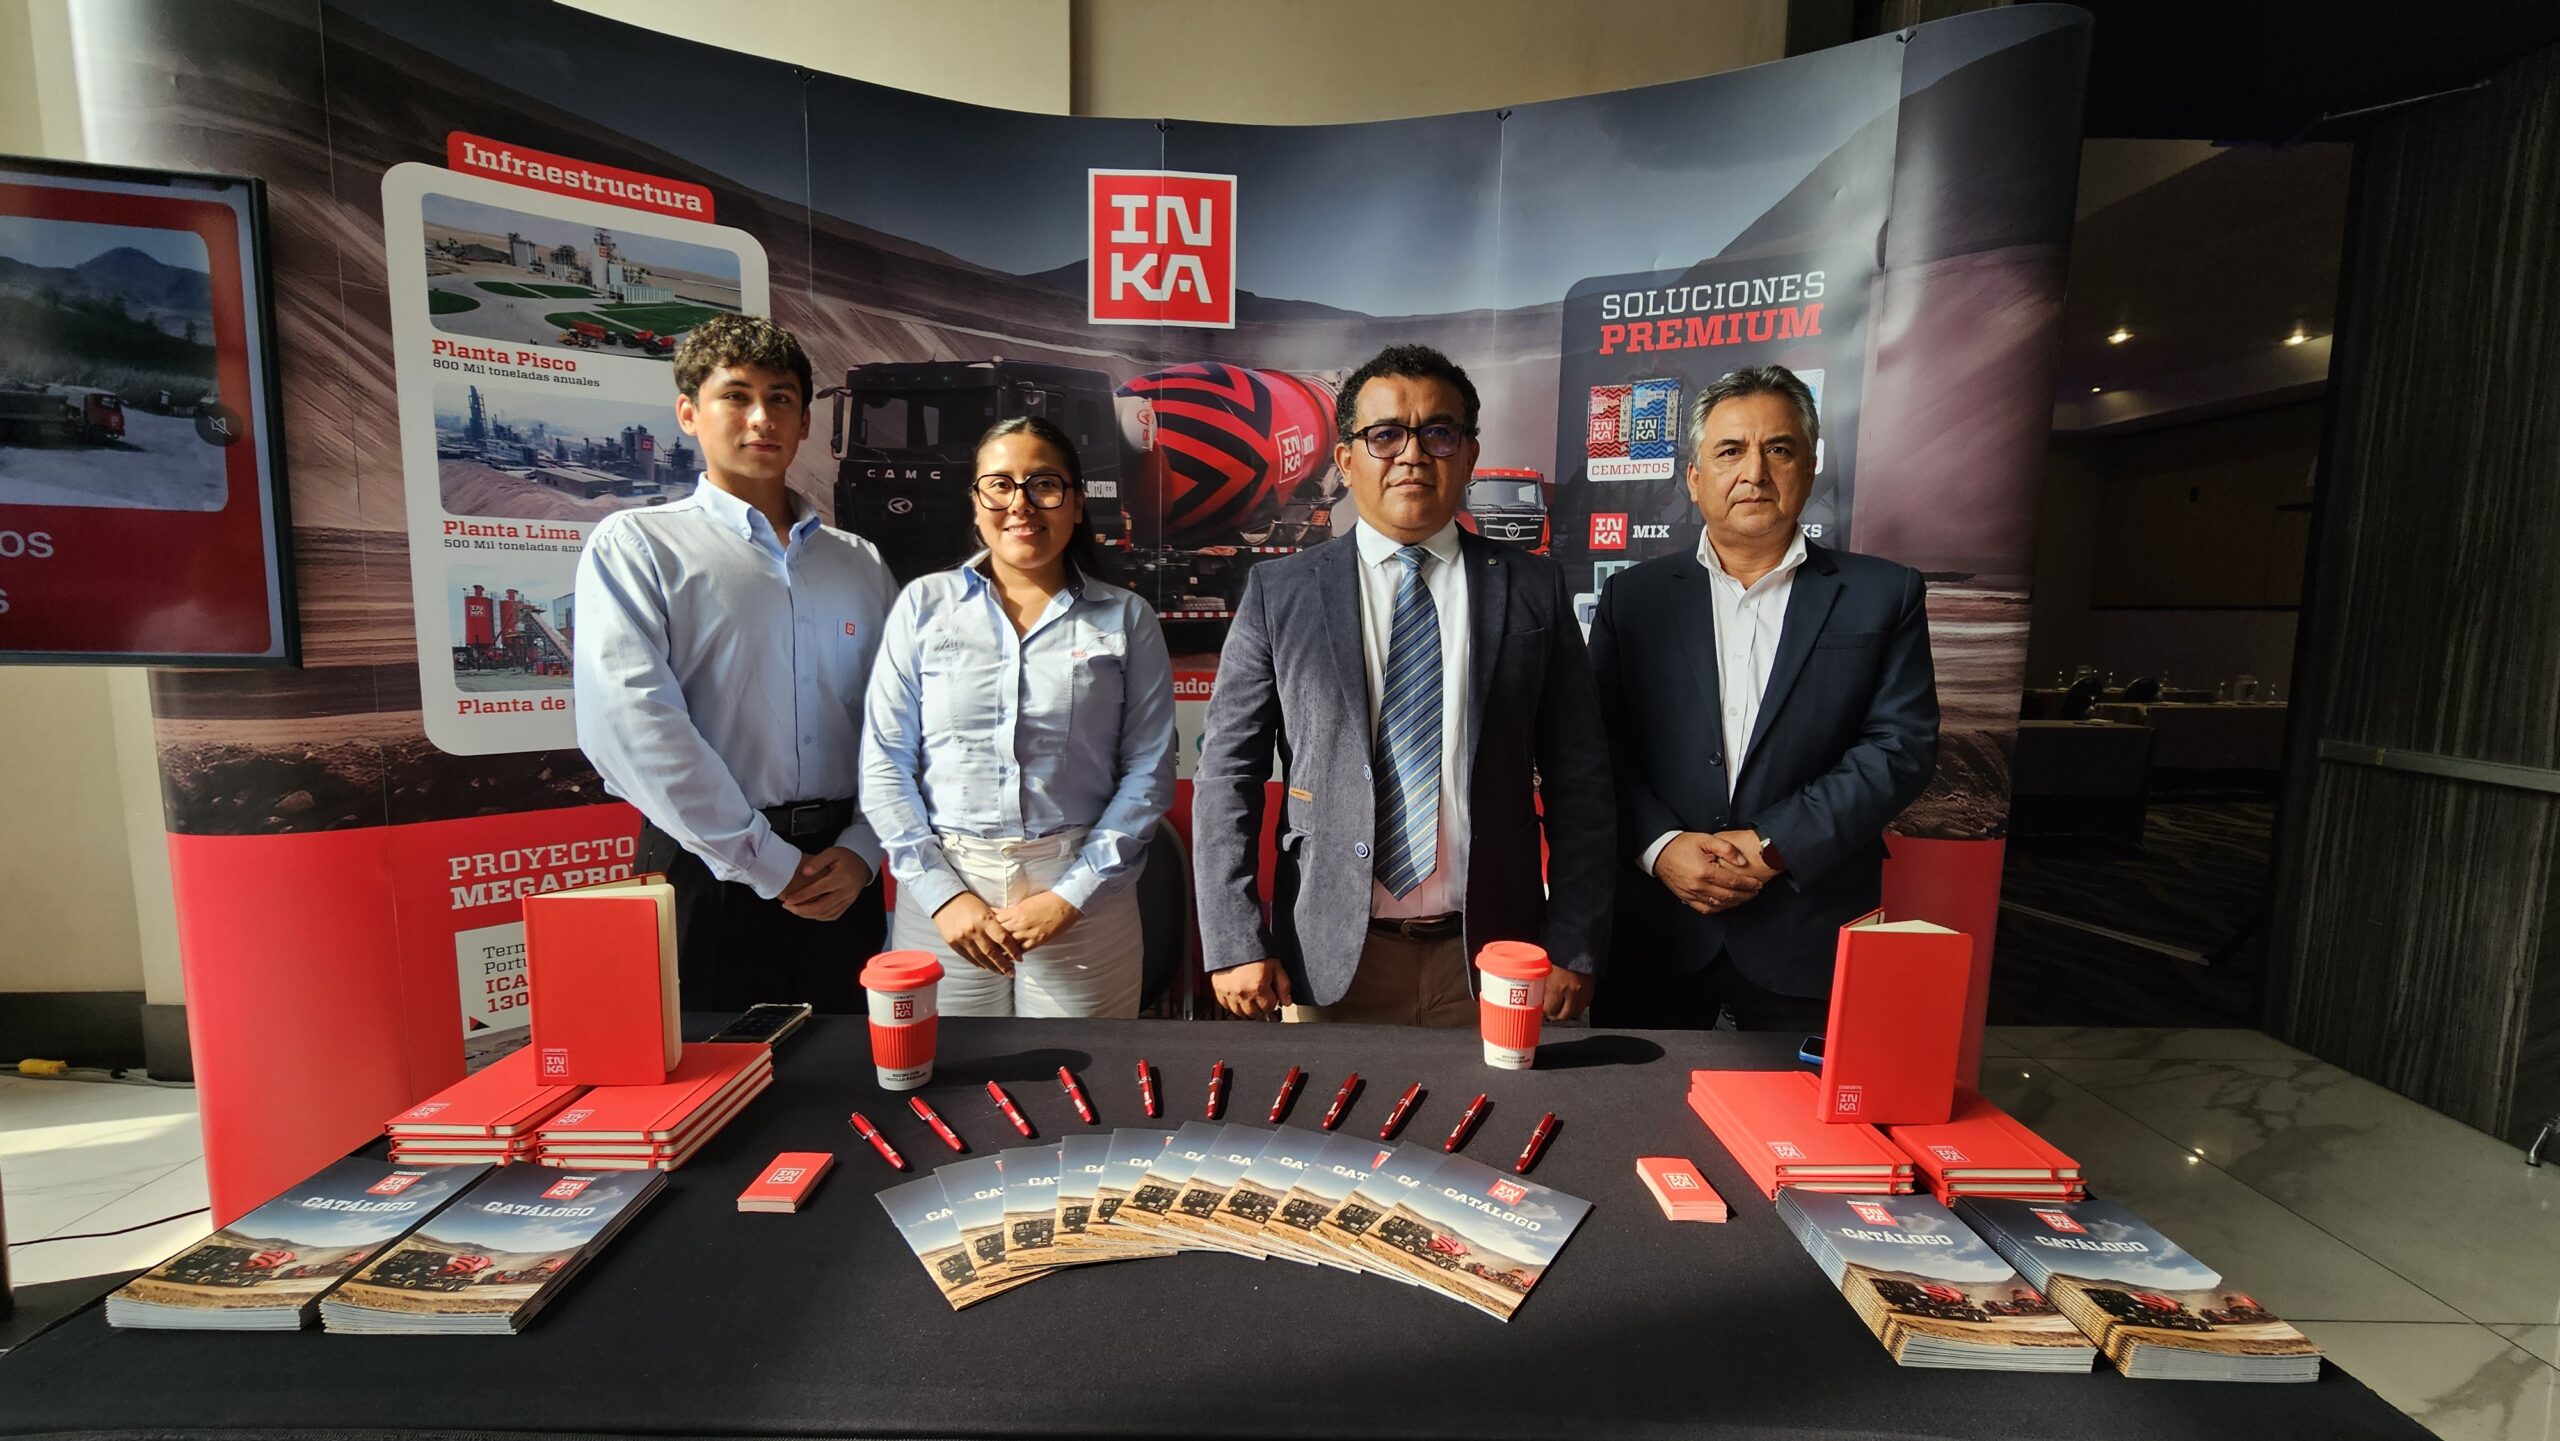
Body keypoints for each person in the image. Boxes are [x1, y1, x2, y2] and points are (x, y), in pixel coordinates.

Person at [1193, 343, 1613, 1026]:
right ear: (1345, 460)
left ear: (1469, 456)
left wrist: (1574, 940)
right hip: (1329, 960)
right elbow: (1226, 776)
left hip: (1493, 958)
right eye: (1385, 435)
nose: (1412, 455)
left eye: (1438, 433)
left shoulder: (1534, 588)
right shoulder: (1280, 592)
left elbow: (1581, 778)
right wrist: (1236, 939)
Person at [1587, 364, 1939, 1031]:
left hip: (1807, 933)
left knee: (1803, 1103)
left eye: (1778, 449)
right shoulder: (1632, 598)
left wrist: (1775, 844)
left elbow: (1900, 748)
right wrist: (1660, 845)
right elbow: (1597, 745)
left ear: (1809, 469)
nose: (1754, 471)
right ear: (1694, 479)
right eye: (1730, 451)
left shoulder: (1884, 594)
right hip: (1655, 934)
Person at [573, 315, 897, 1014]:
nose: (761, 418)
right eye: (736, 396)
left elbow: (897, 723)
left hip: (843, 876)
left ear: (805, 421)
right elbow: (633, 726)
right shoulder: (638, 547)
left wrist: (865, 848)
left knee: (850, 1072)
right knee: (711, 1077)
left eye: (780, 398)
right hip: (706, 873)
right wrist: (766, 862)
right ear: (689, 412)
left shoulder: (859, 564)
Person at [859, 416, 1176, 1017]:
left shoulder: (1126, 618)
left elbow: (1149, 772)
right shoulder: (923, 606)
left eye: (1044, 485)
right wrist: (943, 896)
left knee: (1081, 1071)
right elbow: (885, 764)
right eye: (999, 485)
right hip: (946, 902)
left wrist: (1071, 896)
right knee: (951, 1070)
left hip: (1084, 902)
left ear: (1076, 504)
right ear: (976, 503)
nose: (1021, 504)